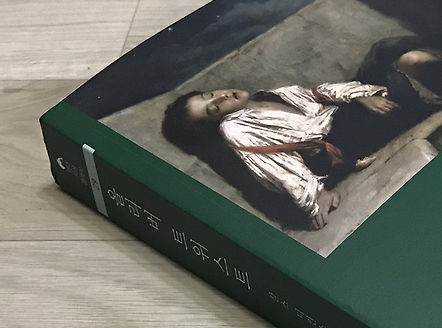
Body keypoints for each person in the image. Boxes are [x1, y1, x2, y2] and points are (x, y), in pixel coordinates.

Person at [162, 82, 397, 230]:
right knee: (399, 99)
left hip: (343, 117)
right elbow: (277, 165)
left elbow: (314, 94)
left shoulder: (265, 96)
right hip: (341, 140)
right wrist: (316, 195)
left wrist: (358, 95)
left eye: (210, 94)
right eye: (214, 108)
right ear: (216, 122)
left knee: (393, 80)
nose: (222, 97)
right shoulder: (235, 129)